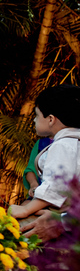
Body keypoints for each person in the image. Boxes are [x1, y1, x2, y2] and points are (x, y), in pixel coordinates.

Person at [10, 85, 80, 221]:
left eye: (36, 115)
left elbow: (57, 186)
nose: (34, 120)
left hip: (57, 212)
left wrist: (26, 209)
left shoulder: (62, 146)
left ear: (51, 119)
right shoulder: (74, 142)